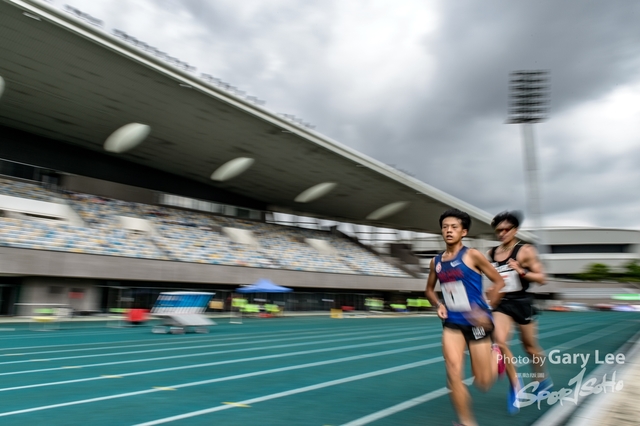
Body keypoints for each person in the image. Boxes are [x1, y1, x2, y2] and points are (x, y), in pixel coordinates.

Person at [425, 208, 506, 426]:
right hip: (452, 323)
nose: (448, 231)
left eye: (454, 227)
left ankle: (495, 355)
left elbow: (499, 282)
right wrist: (438, 304)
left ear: (464, 232)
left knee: (483, 383)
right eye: (445, 227)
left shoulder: (473, 256)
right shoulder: (436, 262)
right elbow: (429, 290)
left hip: (477, 323)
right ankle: (466, 422)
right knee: (453, 373)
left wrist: (489, 307)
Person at [488, 210, 552, 414]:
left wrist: (521, 270)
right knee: (498, 341)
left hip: (523, 302)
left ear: (515, 230)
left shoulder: (525, 251)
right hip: (503, 303)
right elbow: (497, 279)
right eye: (498, 230)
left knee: (530, 348)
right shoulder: (492, 253)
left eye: (506, 229)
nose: (502, 233)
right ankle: (516, 384)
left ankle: (542, 379)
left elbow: (542, 278)